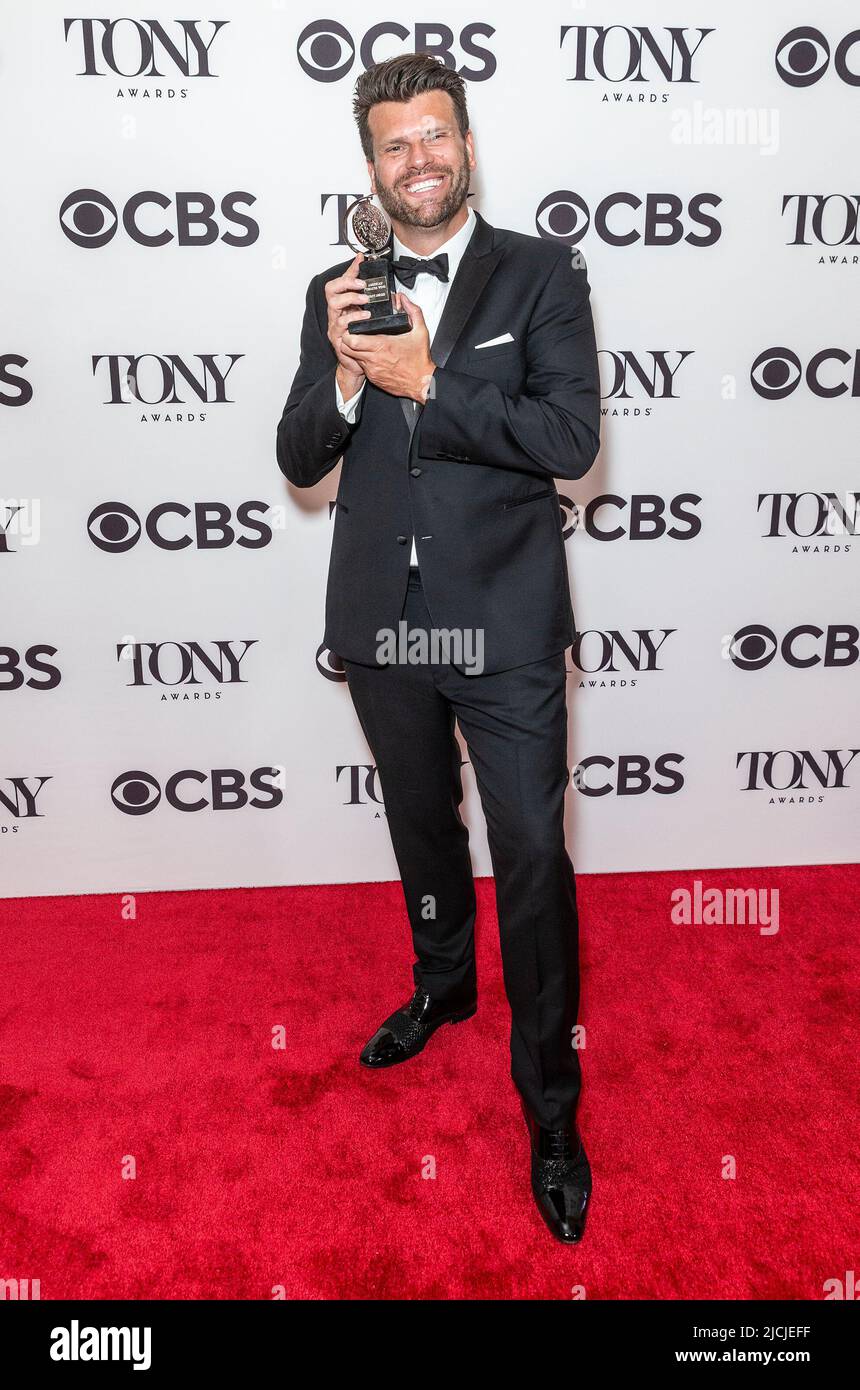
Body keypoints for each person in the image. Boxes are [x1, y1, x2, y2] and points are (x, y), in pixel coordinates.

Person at [277, 52, 601, 1243]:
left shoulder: (541, 272)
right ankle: (442, 982)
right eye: (393, 143)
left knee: (528, 852)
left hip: (505, 620)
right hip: (382, 622)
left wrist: (425, 380)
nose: (418, 158)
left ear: (467, 144)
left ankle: (551, 1108)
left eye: (435, 135)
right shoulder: (338, 284)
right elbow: (298, 457)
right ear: (370, 165)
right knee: (421, 825)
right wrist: (355, 384)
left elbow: (567, 437)